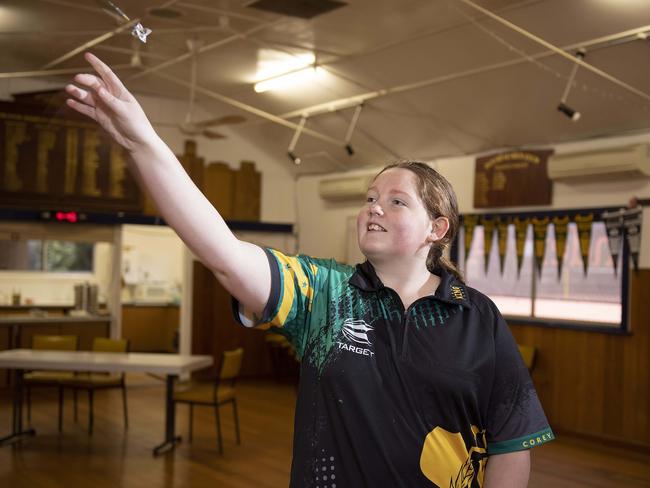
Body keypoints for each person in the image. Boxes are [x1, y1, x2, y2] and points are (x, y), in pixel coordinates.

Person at [66, 53, 553, 488]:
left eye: (396, 201)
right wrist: (143, 143)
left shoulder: (478, 317)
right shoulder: (326, 292)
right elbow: (222, 251)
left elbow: (511, 441)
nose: (374, 209)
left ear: (437, 228)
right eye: (370, 199)